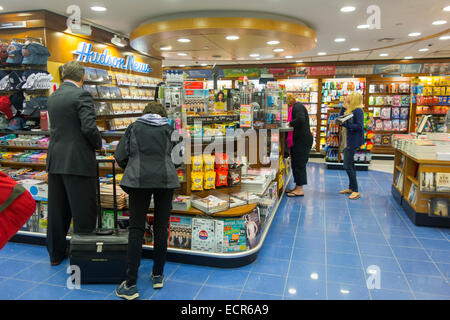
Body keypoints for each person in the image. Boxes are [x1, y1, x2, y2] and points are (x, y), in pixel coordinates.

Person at [114, 102, 180, 300]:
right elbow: (178, 159)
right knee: (161, 227)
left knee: (136, 229)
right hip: (165, 181)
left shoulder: (133, 127)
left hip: (138, 180)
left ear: (145, 113)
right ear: (163, 115)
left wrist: (133, 166)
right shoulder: (170, 130)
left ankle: (131, 283)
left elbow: (120, 156)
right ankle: (158, 275)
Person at [46, 61, 102, 266]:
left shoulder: (53, 96)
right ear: (83, 77)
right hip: (77, 161)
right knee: (83, 210)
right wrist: (99, 144)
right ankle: (83, 255)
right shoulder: (82, 95)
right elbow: (88, 128)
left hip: (55, 160)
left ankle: (55, 254)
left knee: (57, 211)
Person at [338, 92, 365, 200]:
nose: (347, 97)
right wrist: (343, 106)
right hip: (347, 140)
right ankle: (351, 187)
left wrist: (345, 125)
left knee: (347, 165)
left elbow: (359, 126)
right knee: (351, 165)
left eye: (349, 96)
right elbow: (341, 117)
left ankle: (356, 190)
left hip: (352, 141)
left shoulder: (358, 110)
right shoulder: (351, 109)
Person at [286, 94, 313, 197]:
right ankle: (297, 187)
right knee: (296, 164)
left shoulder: (297, 107)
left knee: (299, 164)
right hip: (299, 140)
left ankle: (299, 189)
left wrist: (289, 123)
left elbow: (300, 119)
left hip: (302, 140)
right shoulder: (296, 107)